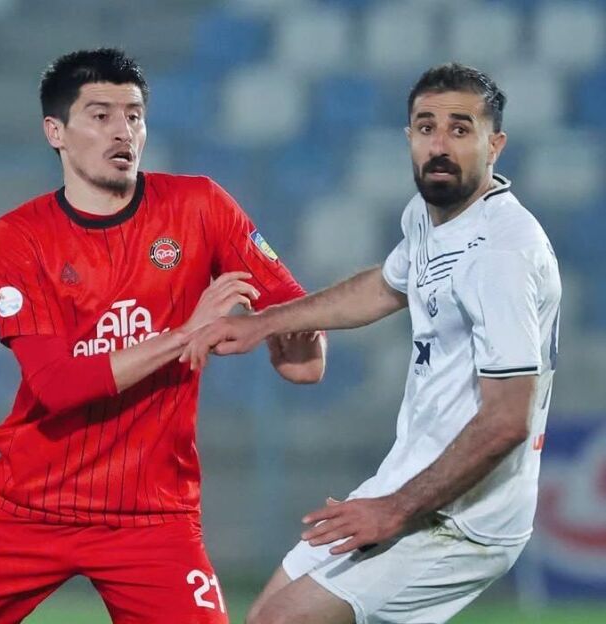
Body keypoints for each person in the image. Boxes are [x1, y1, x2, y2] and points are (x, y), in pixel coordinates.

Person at [0, 48, 325, 624]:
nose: (122, 131)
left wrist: (290, 330)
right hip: (29, 506)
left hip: (153, 517)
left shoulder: (200, 206)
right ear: (55, 132)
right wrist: (186, 334)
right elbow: (57, 385)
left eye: (134, 116)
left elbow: (304, 361)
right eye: (100, 116)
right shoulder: (19, 236)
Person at [182, 63, 562, 624]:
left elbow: (508, 420)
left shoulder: (501, 254)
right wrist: (266, 322)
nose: (439, 145)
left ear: (495, 145)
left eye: (460, 129)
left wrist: (394, 510)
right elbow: (385, 286)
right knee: (264, 615)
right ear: (409, 136)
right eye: (426, 127)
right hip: (410, 482)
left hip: (465, 520)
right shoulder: (429, 218)